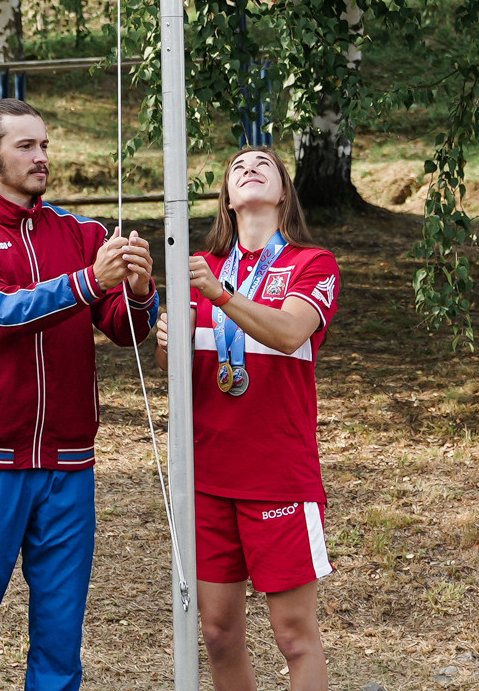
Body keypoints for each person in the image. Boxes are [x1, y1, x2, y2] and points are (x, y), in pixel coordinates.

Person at [0, 99, 156, 691]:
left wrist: (141, 290)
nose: (41, 157)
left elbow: (125, 330)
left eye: (45, 144)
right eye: (26, 146)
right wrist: (87, 282)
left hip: (70, 466)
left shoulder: (83, 233)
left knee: (60, 646)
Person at [177, 146, 342, 691]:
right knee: (219, 634)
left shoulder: (310, 263)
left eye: (262, 165)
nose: (249, 170)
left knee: (294, 635)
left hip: (277, 475)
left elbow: (291, 331)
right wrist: (160, 332)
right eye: (237, 168)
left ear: (283, 192)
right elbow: (173, 364)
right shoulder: (199, 267)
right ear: (226, 197)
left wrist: (220, 297)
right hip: (208, 478)